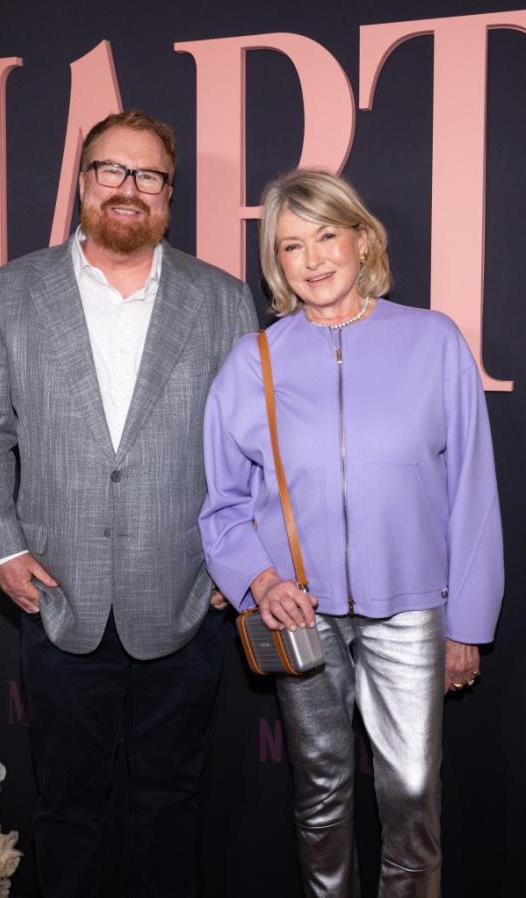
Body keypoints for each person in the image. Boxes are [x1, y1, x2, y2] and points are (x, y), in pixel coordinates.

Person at [0, 109, 257, 898]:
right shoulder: (9, 292)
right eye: (111, 171)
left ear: (169, 194)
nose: (128, 189)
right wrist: (1, 545)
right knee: (68, 812)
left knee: (169, 807)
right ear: (82, 182)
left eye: (148, 175)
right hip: (60, 598)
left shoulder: (222, 298)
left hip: (188, 601)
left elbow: (255, 443)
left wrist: (243, 558)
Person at [199, 168, 503, 897]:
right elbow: (223, 503)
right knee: (321, 794)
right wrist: (261, 582)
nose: (313, 258)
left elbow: (473, 490)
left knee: (412, 798)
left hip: (410, 608)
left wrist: (466, 621)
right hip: (303, 616)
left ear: (363, 240)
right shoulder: (256, 361)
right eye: (292, 245)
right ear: (277, 263)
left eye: (327, 235)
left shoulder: (432, 342)